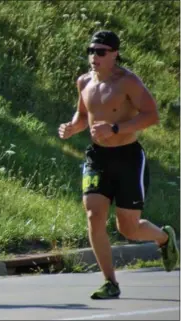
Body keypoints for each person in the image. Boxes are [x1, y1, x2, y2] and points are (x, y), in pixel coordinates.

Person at [58, 30, 179, 299]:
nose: (94, 56)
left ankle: (164, 239)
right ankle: (110, 282)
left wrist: (116, 128)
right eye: (91, 50)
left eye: (101, 52)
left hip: (128, 158)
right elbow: (83, 115)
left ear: (114, 54)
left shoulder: (128, 82)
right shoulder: (84, 82)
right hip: (97, 157)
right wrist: (71, 128)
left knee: (129, 229)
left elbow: (152, 116)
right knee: (93, 215)